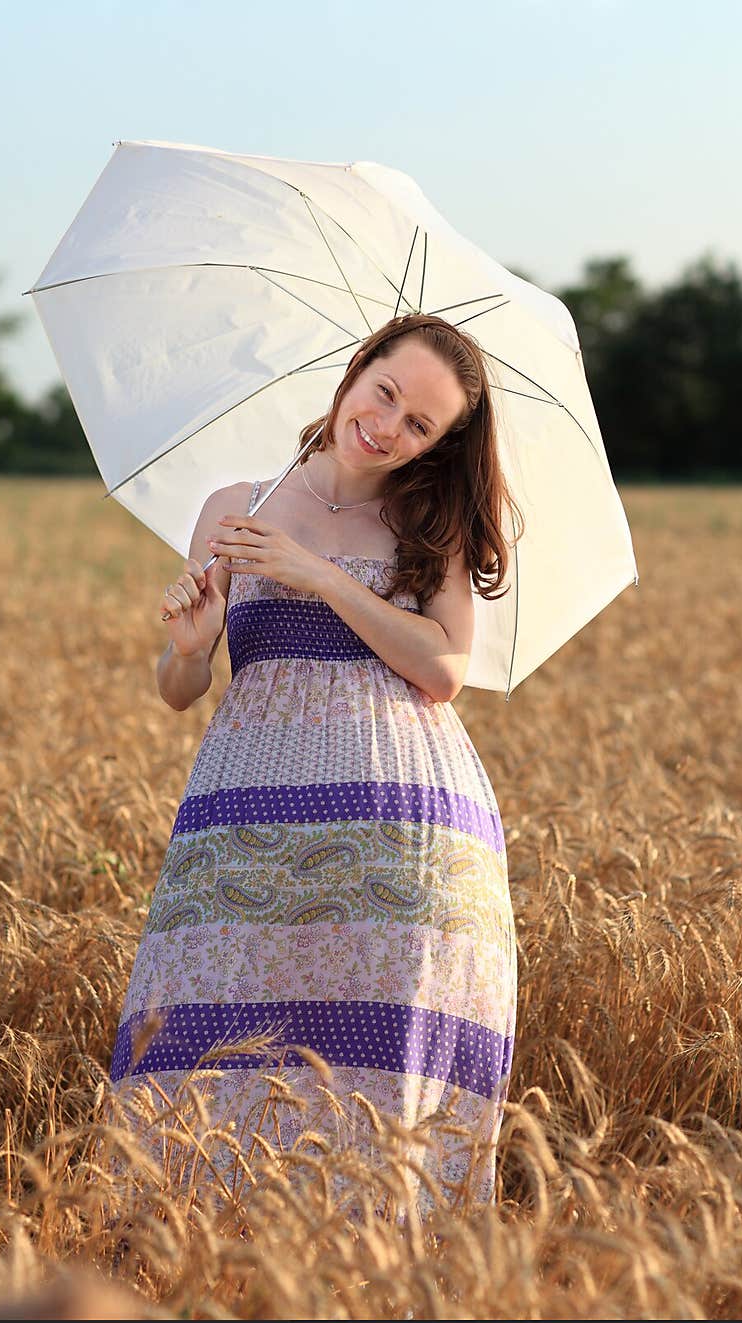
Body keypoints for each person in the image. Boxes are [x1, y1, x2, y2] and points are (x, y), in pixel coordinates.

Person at [108, 313, 523, 1217]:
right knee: (205, 1041)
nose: (387, 427)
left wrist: (323, 577)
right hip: (243, 817)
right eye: (386, 394)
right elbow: (181, 689)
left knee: (376, 1075)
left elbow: (446, 670)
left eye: (420, 425)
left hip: (402, 833)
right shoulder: (236, 508)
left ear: (439, 444)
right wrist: (191, 641)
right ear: (356, 371)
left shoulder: (431, 525)